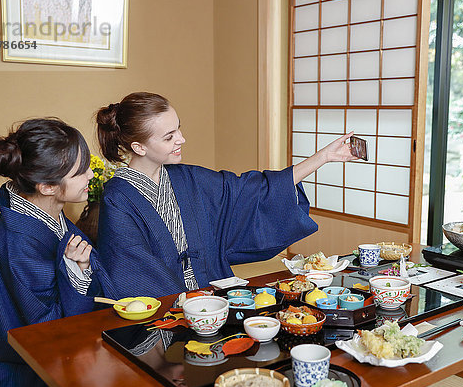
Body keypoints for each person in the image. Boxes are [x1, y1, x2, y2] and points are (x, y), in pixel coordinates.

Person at [96, 92, 357, 297]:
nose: (182, 139)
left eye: (179, 129)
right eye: (169, 136)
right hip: (167, 315)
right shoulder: (118, 199)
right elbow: (132, 271)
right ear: (138, 147)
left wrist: (322, 157)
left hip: (214, 302)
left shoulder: (188, 178)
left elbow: (251, 190)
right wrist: (185, 301)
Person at [0, 118, 119, 387]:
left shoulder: (44, 213)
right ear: (46, 187)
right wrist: (76, 272)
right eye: (80, 172)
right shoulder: (19, 244)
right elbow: (49, 329)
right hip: (0, 367)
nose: (91, 176)